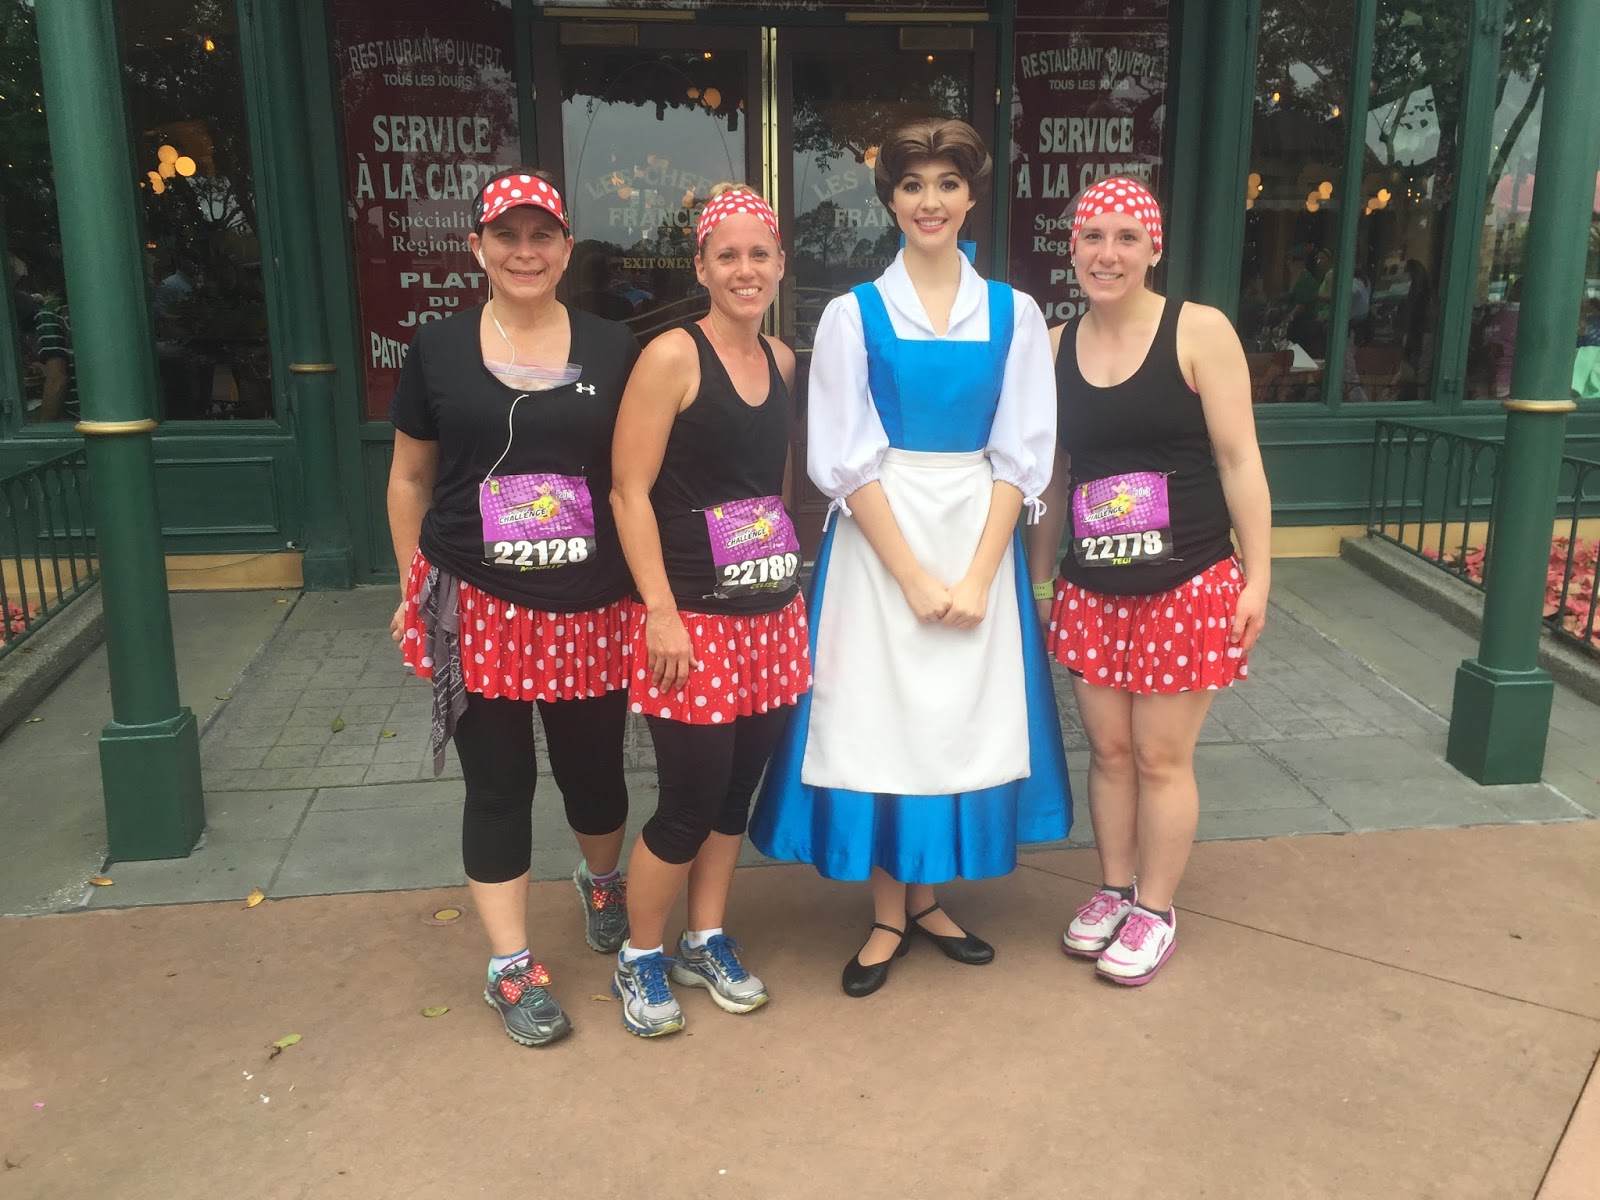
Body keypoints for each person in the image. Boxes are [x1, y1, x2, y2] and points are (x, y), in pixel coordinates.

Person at [751, 117, 1072, 999]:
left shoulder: (1017, 312)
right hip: (879, 541)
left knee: (953, 719)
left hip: (979, 531)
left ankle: (928, 898)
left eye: (946, 184)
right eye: (912, 185)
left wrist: (974, 575)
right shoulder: (853, 315)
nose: (930, 201)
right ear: (890, 199)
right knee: (882, 716)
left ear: (972, 197)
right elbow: (842, 457)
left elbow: (1024, 451)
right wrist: (913, 575)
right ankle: (892, 909)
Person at [387, 169, 640, 1047]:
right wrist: (411, 585)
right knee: (499, 786)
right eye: (507, 236)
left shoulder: (616, 349)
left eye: (542, 237)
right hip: (479, 602)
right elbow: (410, 478)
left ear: (567, 248)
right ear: (479, 249)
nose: (525, 252)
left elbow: (635, 479)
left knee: (596, 775)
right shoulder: (439, 348)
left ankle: (601, 880)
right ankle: (509, 964)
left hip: (590, 604)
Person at [1026, 176, 1272, 986]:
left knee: (1163, 756)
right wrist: (1040, 577)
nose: (1109, 253)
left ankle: (1156, 909)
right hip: (1094, 586)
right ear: (1073, 253)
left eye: (1126, 237)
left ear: (1153, 249)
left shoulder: (1199, 332)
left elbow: (1239, 460)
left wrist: (1257, 576)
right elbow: (1058, 473)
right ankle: (1113, 888)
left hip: (1188, 579)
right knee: (1110, 750)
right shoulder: (1057, 346)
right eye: (1093, 237)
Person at [608, 183, 808, 1037]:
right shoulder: (671, 358)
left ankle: (706, 935)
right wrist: (659, 611)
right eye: (726, 255)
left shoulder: (786, 361)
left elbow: (780, 483)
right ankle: (639, 955)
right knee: (687, 801)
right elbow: (627, 491)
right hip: (691, 621)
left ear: (780, 266)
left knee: (734, 796)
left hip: (770, 614)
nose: (744, 269)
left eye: (758, 253)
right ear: (700, 266)